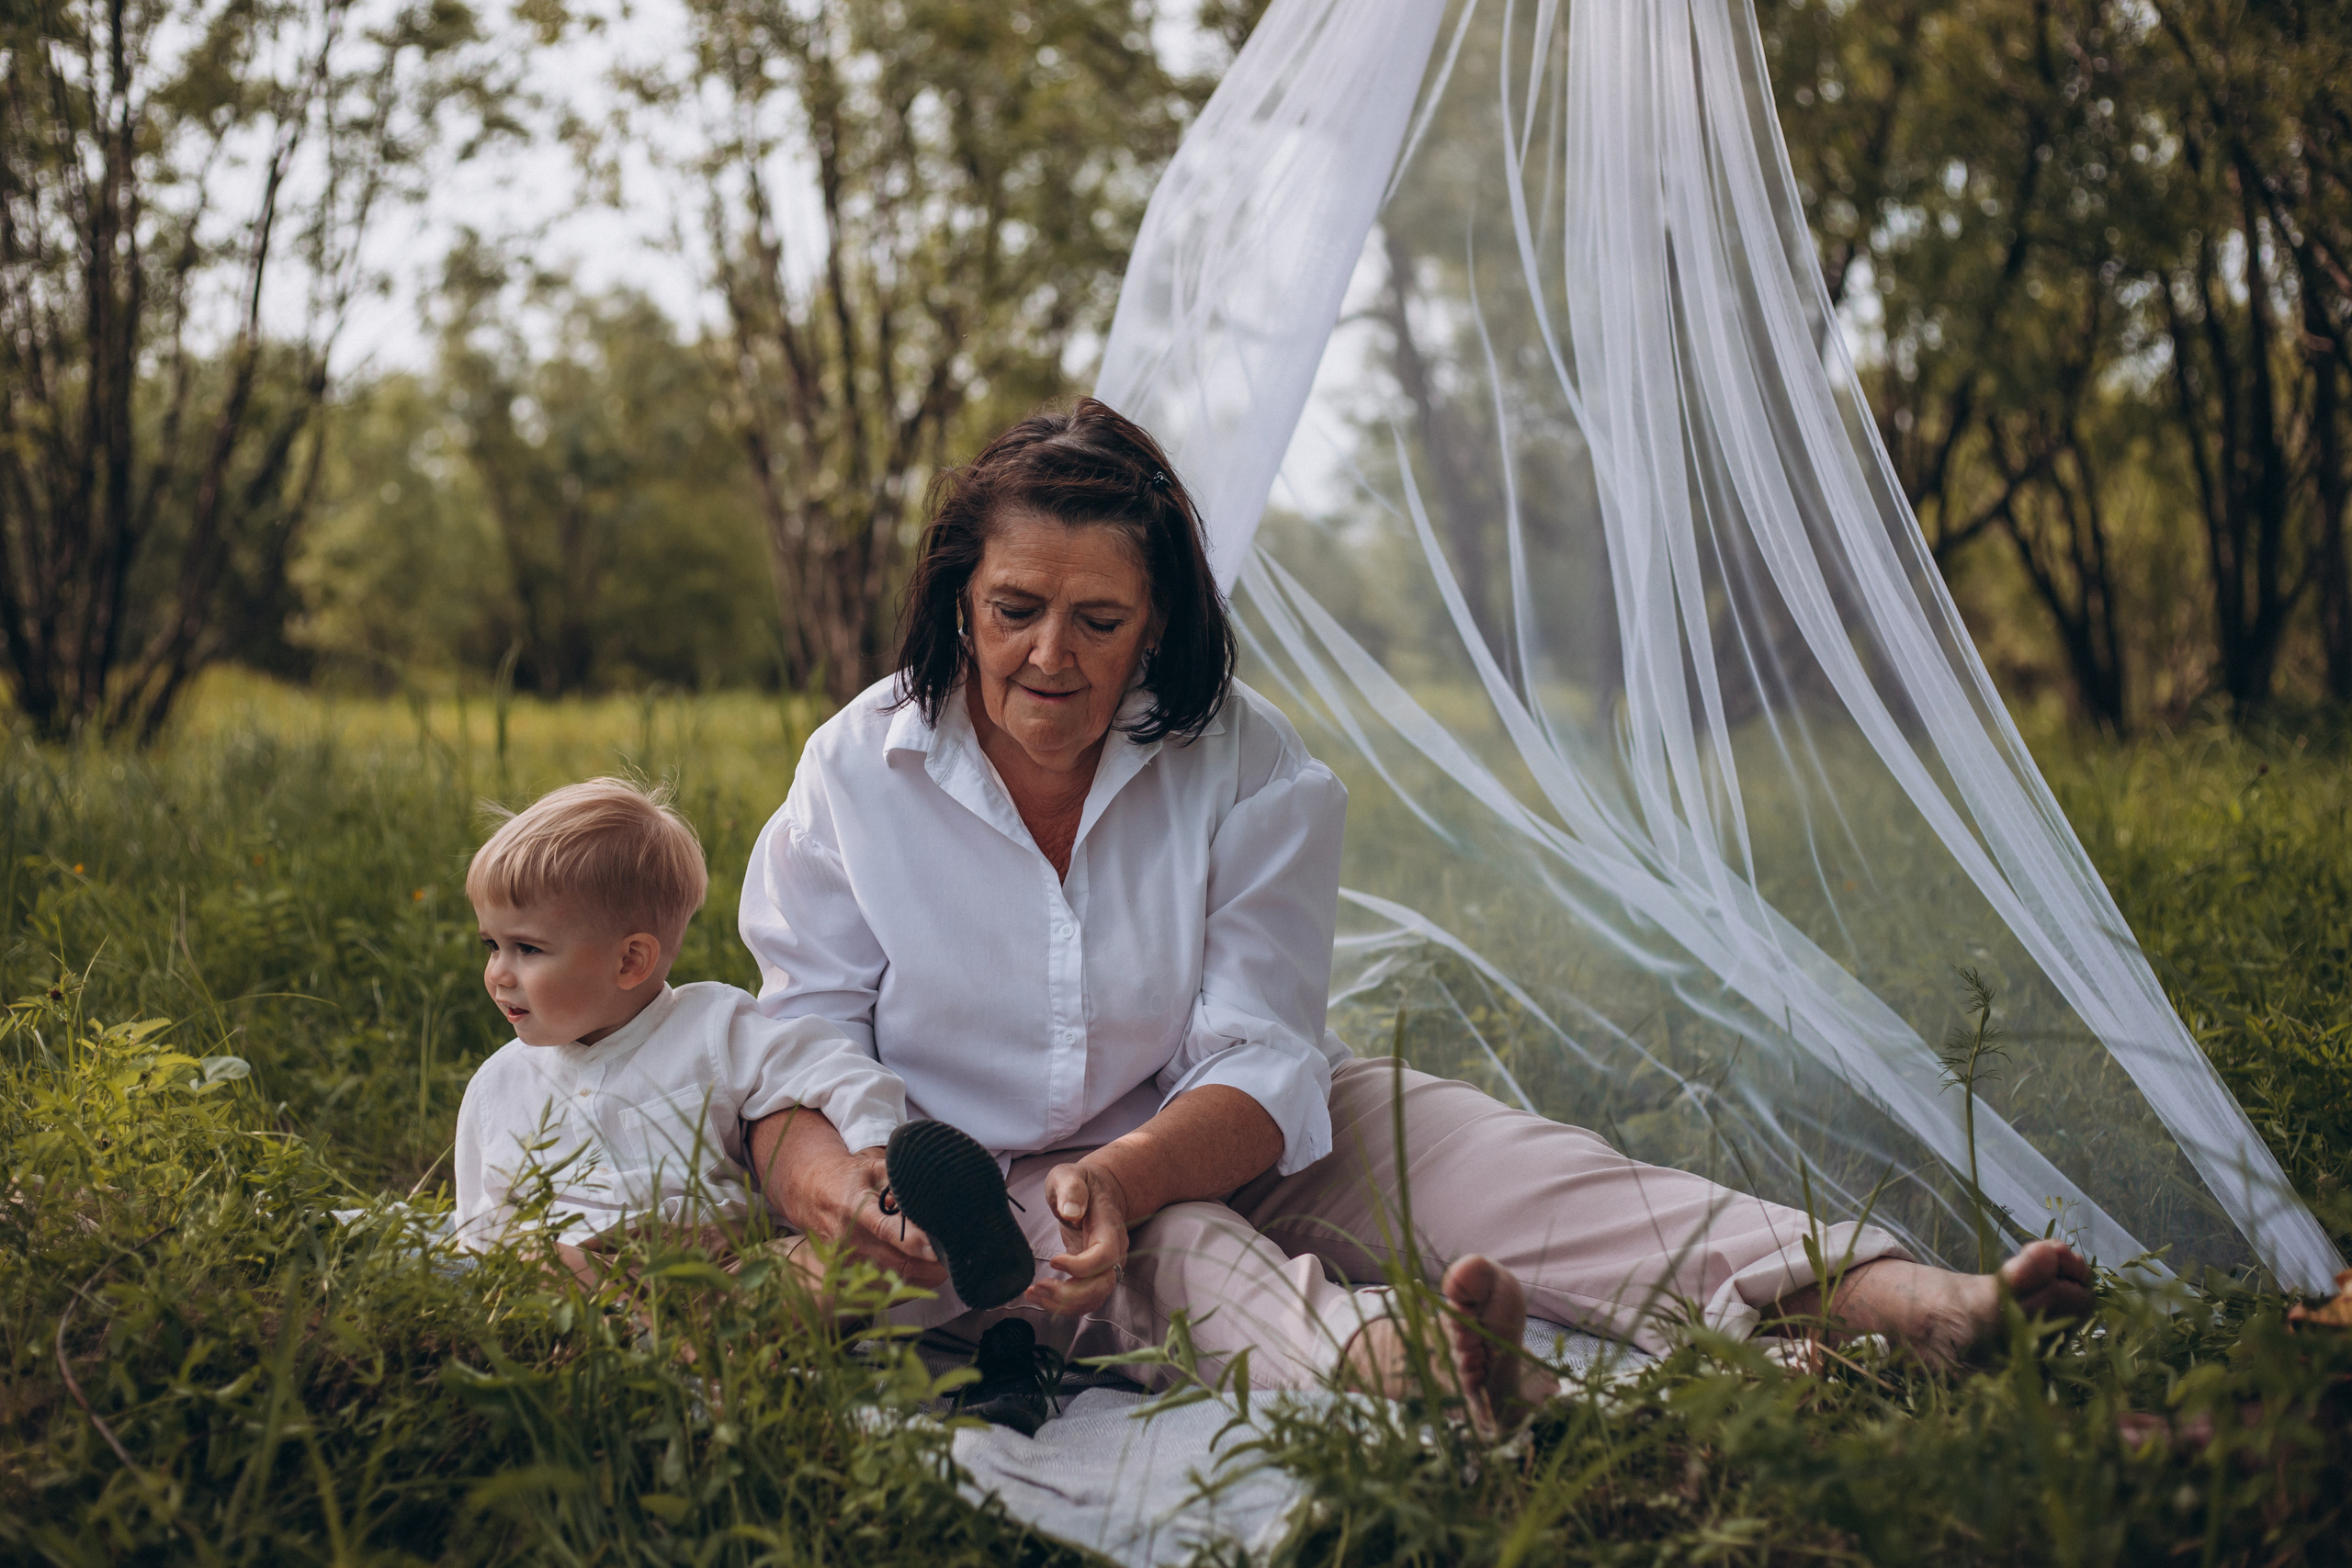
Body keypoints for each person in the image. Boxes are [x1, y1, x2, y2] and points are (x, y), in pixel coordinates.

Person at [739, 400, 2095, 1435]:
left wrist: (1138, 1166)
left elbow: (1264, 1051)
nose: (1052, 654)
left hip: (1214, 1124)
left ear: (1156, 625)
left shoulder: (1247, 766)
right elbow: (795, 1025)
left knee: (1503, 1162)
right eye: (1015, 610)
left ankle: (1895, 1302)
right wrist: (844, 1181)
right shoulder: (861, 768)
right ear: (959, 604)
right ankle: (1486, 1381)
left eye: (1099, 618)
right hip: (977, 1183)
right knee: (1189, 1273)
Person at [452, 778, 908, 1303]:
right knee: (534, 1259)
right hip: (588, 1286)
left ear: (630, 961)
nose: (499, 975)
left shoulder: (712, 1027)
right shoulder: (497, 1088)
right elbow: (482, 1229)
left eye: (527, 950)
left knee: (849, 1266)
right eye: (492, 946)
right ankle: (665, 1349)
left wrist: (876, 1155)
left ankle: (693, 1346)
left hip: (731, 1268)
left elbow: (831, 1068)